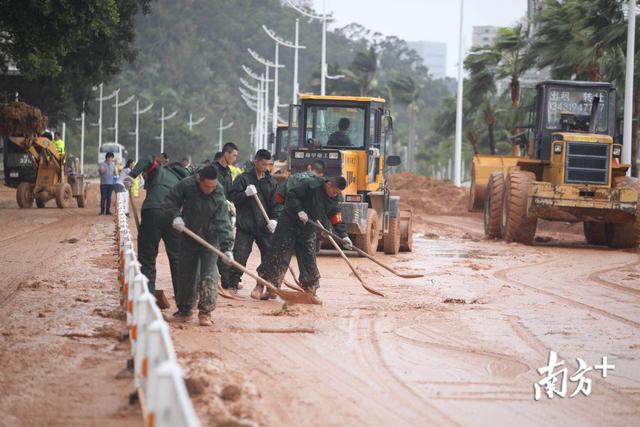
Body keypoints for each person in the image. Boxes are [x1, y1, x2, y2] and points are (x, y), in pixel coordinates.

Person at [255, 175, 351, 299]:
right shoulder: (310, 184)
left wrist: (344, 236)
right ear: (329, 184)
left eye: (337, 193)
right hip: (289, 222)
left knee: (308, 257)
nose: (334, 194)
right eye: (334, 191)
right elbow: (291, 195)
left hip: (308, 227)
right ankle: (264, 285)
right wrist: (299, 210)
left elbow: (335, 215)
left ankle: (310, 289)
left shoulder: (335, 196)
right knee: (277, 252)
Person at [163, 166, 234, 326]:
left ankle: (205, 312)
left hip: (211, 238)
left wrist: (227, 248)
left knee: (209, 274)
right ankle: (185, 311)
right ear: (199, 180)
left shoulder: (218, 194)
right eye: (206, 186)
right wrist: (176, 216)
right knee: (186, 274)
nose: (209, 190)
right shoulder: (187, 185)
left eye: (212, 186)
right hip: (189, 234)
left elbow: (223, 222)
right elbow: (169, 201)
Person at [127, 153, 190, 297]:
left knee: (147, 259)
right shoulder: (187, 180)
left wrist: (132, 175)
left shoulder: (160, 170)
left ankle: (147, 298)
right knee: (178, 260)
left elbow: (146, 160)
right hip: (174, 218)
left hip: (152, 213)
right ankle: (183, 303)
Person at [225, 149, 282, 294]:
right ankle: (233, 284)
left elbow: (277, 204)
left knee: (270, 257)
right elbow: (232, 198)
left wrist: (274, 220)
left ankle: (264, 285)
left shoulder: (271, 182)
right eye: (263, 164)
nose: (266, 167)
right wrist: (244, 194)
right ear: (255, 162)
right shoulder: (243, 179)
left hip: (265, 225)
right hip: (246, 226)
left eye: (268, 165)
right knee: (240, 255)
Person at [213, 142, 239, 289]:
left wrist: (231, 205)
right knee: (214, 246)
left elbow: (229, 193)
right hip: (213, 214)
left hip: (225, 214)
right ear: (226, 153)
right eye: (234, 155)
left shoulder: (228, 171)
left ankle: (226, 282)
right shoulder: (212, 170)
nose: (235, 158)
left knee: (225, 245)